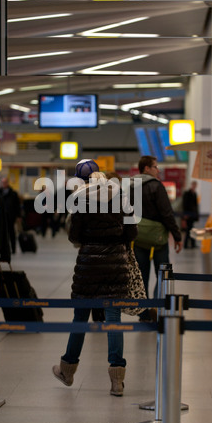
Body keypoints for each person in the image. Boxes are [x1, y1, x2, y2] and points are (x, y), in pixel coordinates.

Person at [52, 159, 138, 396]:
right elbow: (132, 231)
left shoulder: (80, 199)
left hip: (88, 265)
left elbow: (74, 236)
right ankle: (117, 380)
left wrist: (88, 243)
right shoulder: (121, 195)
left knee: (80, 318)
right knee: (113, 320)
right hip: (115, 264)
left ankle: (67, 371)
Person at [130, 156, 182, 320]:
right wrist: (177, 236)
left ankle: (143, 313)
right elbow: (167, 213)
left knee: (141, 276)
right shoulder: (156, 186)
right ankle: (158, 309)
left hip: (138, 237)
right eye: (155, 167)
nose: (158, 170)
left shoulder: (129, 186)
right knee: (163, 275)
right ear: (146, 168)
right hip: (158, 238)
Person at [0, 177, 22, 255]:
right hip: (1, 217)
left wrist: (18, 216)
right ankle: (2, 249)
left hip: (11, 216)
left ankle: (13, 248)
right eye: (2, 182)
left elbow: (17, 205)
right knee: (2, 233)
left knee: (11, 233)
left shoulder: (13, 193)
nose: (3, 184)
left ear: (8, 183)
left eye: (5, 182)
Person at [182, 181, 199, 249]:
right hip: (188, 214)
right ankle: (186, 244)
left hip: (193, 215)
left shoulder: (194, 194)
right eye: (193, 185)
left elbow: (195, 205)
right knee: (189, 230)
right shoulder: (187, 193)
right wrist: (185, 214)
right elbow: (185, 204)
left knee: (191, 229)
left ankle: (192, 244)